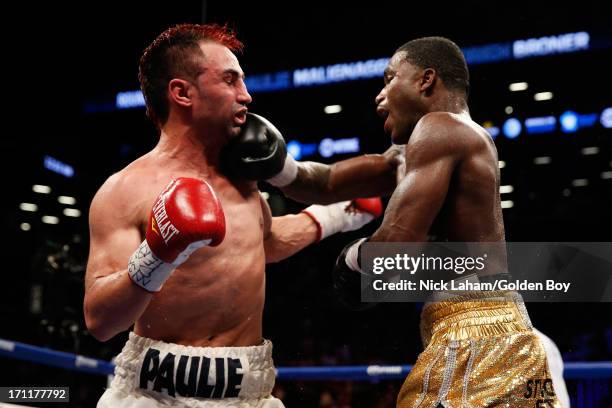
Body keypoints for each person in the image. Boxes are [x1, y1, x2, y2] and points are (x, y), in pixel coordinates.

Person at [84, 23, 397, 407]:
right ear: (182, 92)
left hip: (248, 392)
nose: (246, 96)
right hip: (155, 394)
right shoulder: (125, 191)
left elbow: (263, 242)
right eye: (230, 80)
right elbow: (100, 320)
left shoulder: (244, 178)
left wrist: (338, 215)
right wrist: (158, 252)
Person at [332, 37, 567, 407]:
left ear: (425, 80)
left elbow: (395, 247)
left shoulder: (438, 126)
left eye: (389, 78)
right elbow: (321, 181)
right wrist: (279, 168)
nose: (379, 96)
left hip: (473, 331)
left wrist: (353, 259)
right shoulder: (431, 146)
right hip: (497, 326)